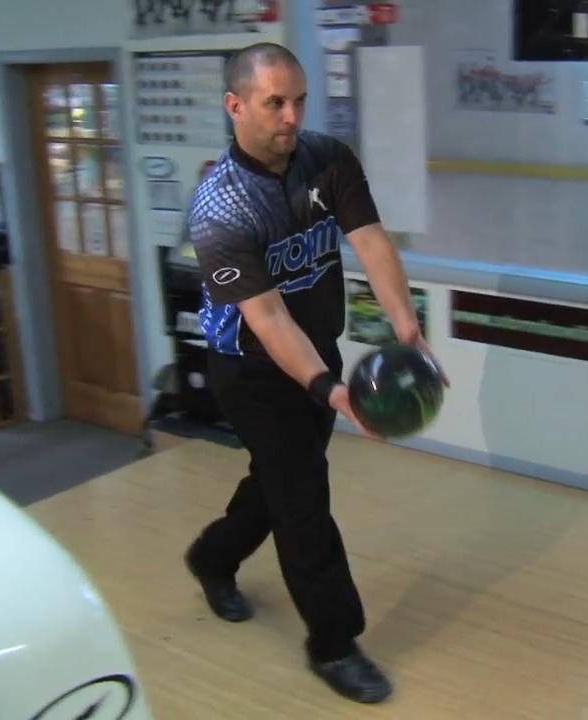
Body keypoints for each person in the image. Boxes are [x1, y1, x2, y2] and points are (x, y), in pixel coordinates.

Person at [181, 42, 446, 705]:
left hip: (317, 348)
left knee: (278, 481)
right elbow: (267, 318)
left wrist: (407, 330)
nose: (291, 117)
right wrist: (331, 392)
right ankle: (333, 643)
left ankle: (213, 557)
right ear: (235, 106)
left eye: (299, 100)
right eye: (275, 103)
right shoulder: (220, 208)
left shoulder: (326, 158)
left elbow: (371, 240)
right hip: (249, 369)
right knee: (303, 497)